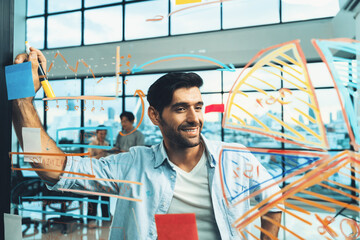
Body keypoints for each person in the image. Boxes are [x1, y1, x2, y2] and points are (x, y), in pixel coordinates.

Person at [12, 48, 282, 240]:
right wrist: (21, 96)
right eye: (180, 109)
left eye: (198, 107)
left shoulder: (235, 158)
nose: (194, 118)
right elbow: (49, 167)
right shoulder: (133, 164)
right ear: (155, 115)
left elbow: (273, 201)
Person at [87, 125, 111, 228]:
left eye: (104, 134)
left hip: (104, 174)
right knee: (93, 197)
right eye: (101, 133)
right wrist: (99, 155)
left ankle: (106, 216)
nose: (103, 135)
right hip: (93, 173)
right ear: (97, 133)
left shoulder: (107, 144)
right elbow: (88, 160)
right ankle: (91, 219)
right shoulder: (91, 144)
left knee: (105, 197)